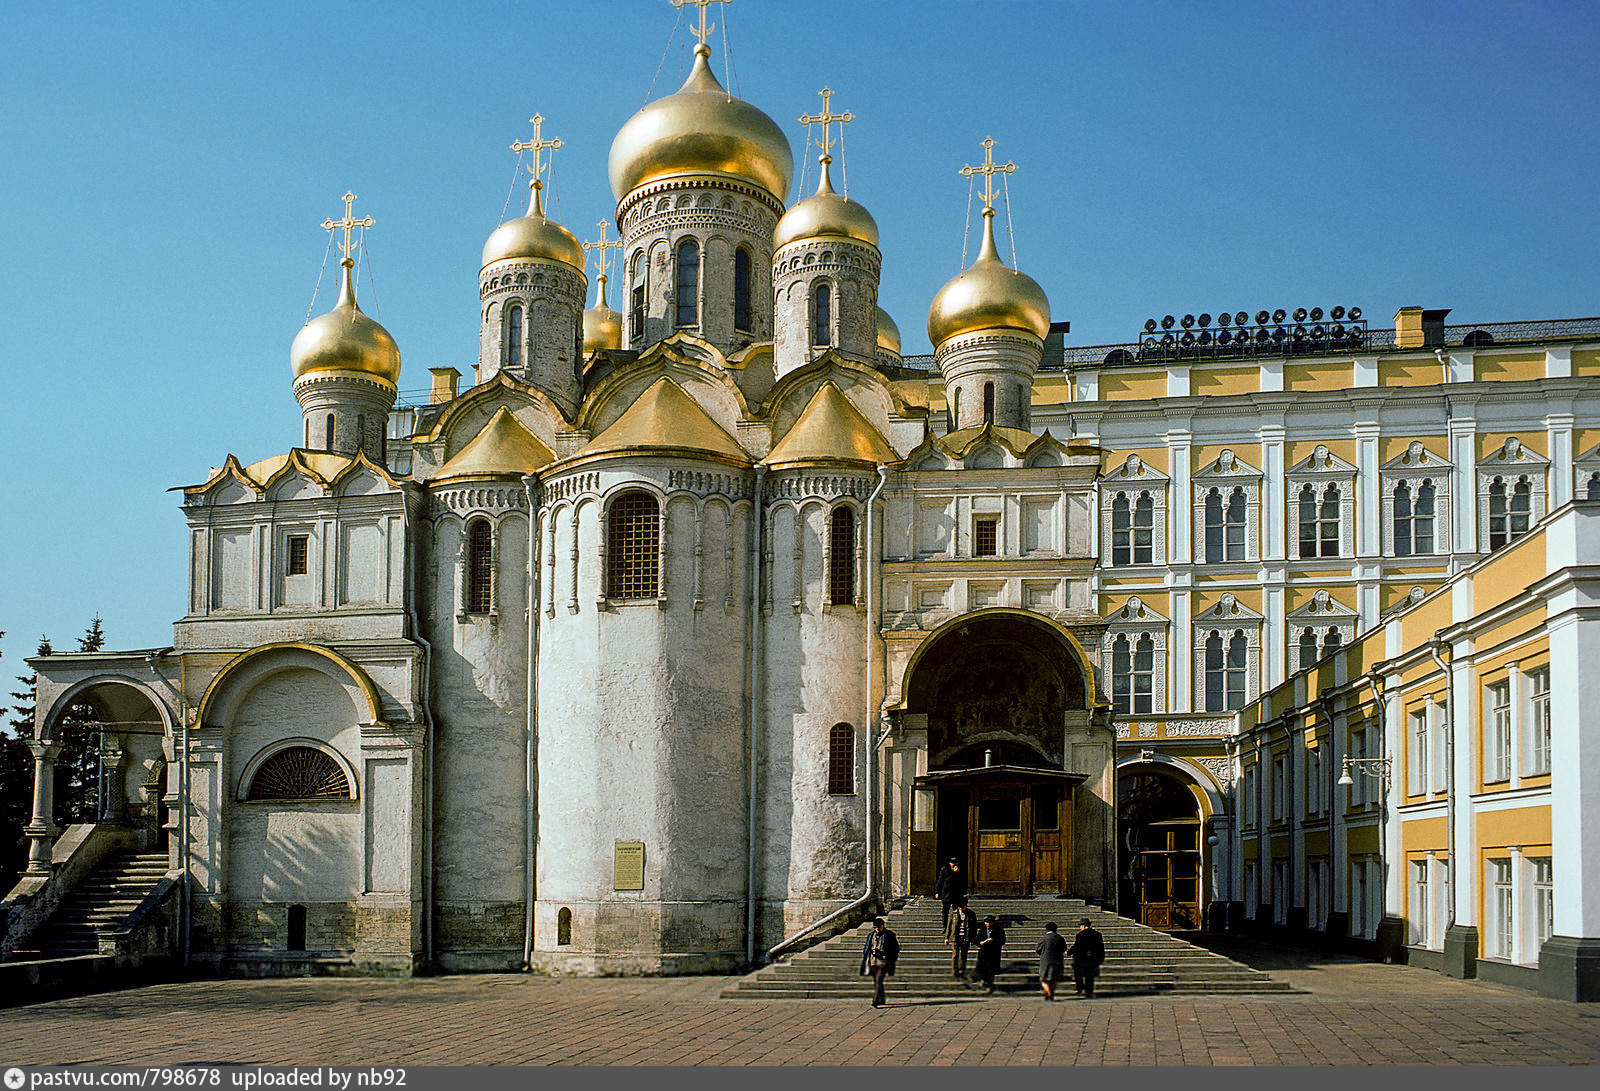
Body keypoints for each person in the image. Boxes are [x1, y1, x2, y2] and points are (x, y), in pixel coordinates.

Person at [859, 916, 900, 1008]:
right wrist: (866, 954)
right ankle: (882, 998)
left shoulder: (889, 935)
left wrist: (887, 956)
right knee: (876, 981)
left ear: (882, 926)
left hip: (883, 961)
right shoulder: (871, 935)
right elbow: (867, 946)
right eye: (875, 927)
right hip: (872, 960)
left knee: (879, 979)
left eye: (879, 927)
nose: (877, 929)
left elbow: (895, 948)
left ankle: (875, 1000)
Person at [1067, 916, 1106, 998]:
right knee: (1090, 976)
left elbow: (1076, 946)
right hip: (1093, 959)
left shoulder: (1080, 935)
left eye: (1080, 926)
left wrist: (1069, 952)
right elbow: (1100, 948)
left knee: (1078, 975)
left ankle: (1080, 989)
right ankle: (1089, 992)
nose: (1080, 928)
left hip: (1081, 959)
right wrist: (1100, 958)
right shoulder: (1097, 935)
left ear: (1083, 926)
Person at [944, 895, 978, 980]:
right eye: (961, 907)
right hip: (956, 937)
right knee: (955, 954)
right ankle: (954, 970)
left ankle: (962, 970)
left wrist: (973, 938)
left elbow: (974, 927)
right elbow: (949, 926)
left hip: (966, 937)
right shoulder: (953, 914)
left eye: (964, 906)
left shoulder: (971, 914)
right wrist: (947, 937)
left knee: (963, 955)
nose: (963, 908)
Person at [973, 914, 1006, 994]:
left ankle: (989, 985)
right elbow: (977, 940)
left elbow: (1002, 940)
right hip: (983, 952)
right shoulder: (983, 929)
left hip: (994, 953)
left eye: (988, 922)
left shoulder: (998, 929)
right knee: (981, 968)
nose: (986, 924)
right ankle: (982, 980)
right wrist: (980, 942)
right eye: (986, 922)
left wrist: (993, 940)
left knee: (991, 971)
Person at [1034, 921, 1067, 1000]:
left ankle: (1047, 991)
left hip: (1045, 961)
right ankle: (1051, 992)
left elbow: (1038, 949)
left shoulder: (1043, 938)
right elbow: (1064, 949)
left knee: (1044, 978)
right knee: (1054, 978)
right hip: (1057, 960)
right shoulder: (1060, 938)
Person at [932, 858, 966, 931]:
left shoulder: (959, 869)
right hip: (947, 893)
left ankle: (956, 926)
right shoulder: (944, 869)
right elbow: (940, 881)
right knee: (945, 912)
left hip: (956, 893)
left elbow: (961, 881)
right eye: (952, 863)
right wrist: (937, 891)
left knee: (957, 911)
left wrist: (957, 873)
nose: (954, 864)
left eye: (955, 863)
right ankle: (945, 927)